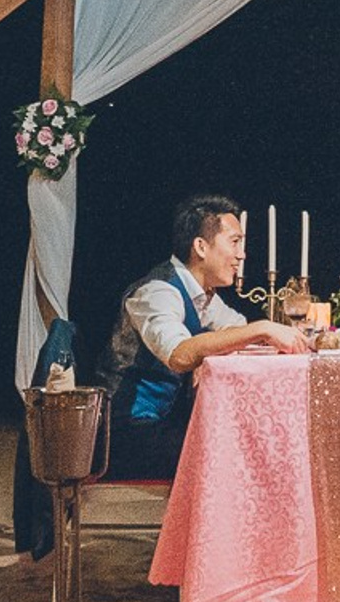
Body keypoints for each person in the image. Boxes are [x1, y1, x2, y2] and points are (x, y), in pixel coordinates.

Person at [100, 193, 304, 477]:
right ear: (201, 247)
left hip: (163, 424)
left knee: (251, 439)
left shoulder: (202, 294)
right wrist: (263, 328)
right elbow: (180, 354)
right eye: (234, 242)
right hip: (127, 434)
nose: (242, 254)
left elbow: (236, 328)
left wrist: (247, 335)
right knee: (237, 453)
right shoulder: (157, 291)